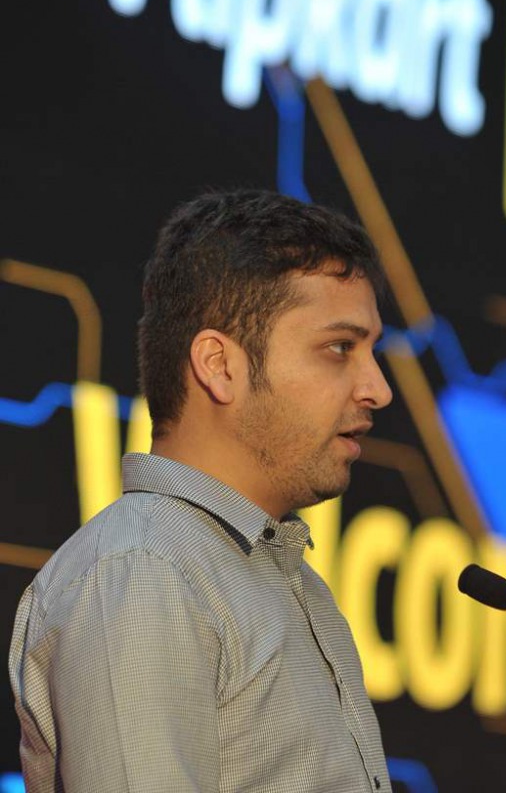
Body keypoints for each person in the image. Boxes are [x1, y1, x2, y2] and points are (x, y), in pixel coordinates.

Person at [9, 188, 394, 793]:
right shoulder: (143, 573)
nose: (378, 388)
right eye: (340, 348)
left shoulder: (277, 577)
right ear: (219, 365)